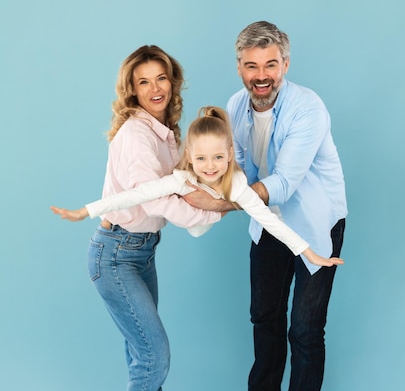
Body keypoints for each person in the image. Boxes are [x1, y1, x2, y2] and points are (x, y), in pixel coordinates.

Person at [182, 22, 348, 391]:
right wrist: (189, 186)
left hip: (315, 224)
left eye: (270, 65)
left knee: (306, 332)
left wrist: (217, 206)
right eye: (252, 65)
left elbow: (285, 182)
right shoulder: (235, 106)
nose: (262, 75)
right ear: (239, 67)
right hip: (267, 223)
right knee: (265, 316)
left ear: (285, 65)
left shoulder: (308, 108)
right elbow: (229, 170)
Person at [58, 45, 222, 391]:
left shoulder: (163, 131)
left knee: (139, 343)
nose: (155, 88)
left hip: (141, 251)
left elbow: (183, 181)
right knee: (153, 352)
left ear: (173, 82)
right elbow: (163, 199)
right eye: (143, 81)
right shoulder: (136, 135)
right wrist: (214, 212)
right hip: (115, 255)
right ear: (131, 89)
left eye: (161, 79)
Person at [51, 106, 344, 271]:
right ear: (190, 156)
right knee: (162, 186)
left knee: (237, 201)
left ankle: (215, 194)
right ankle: (190, 182)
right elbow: (135, 194)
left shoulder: (237, 184)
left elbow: (269, 221)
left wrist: (310, 253)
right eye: (202, 158)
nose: (211, 166)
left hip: (209, 215)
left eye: (218, 157)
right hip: (187, 204)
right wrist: (85, 211)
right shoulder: (183, 177)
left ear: (230, 155)